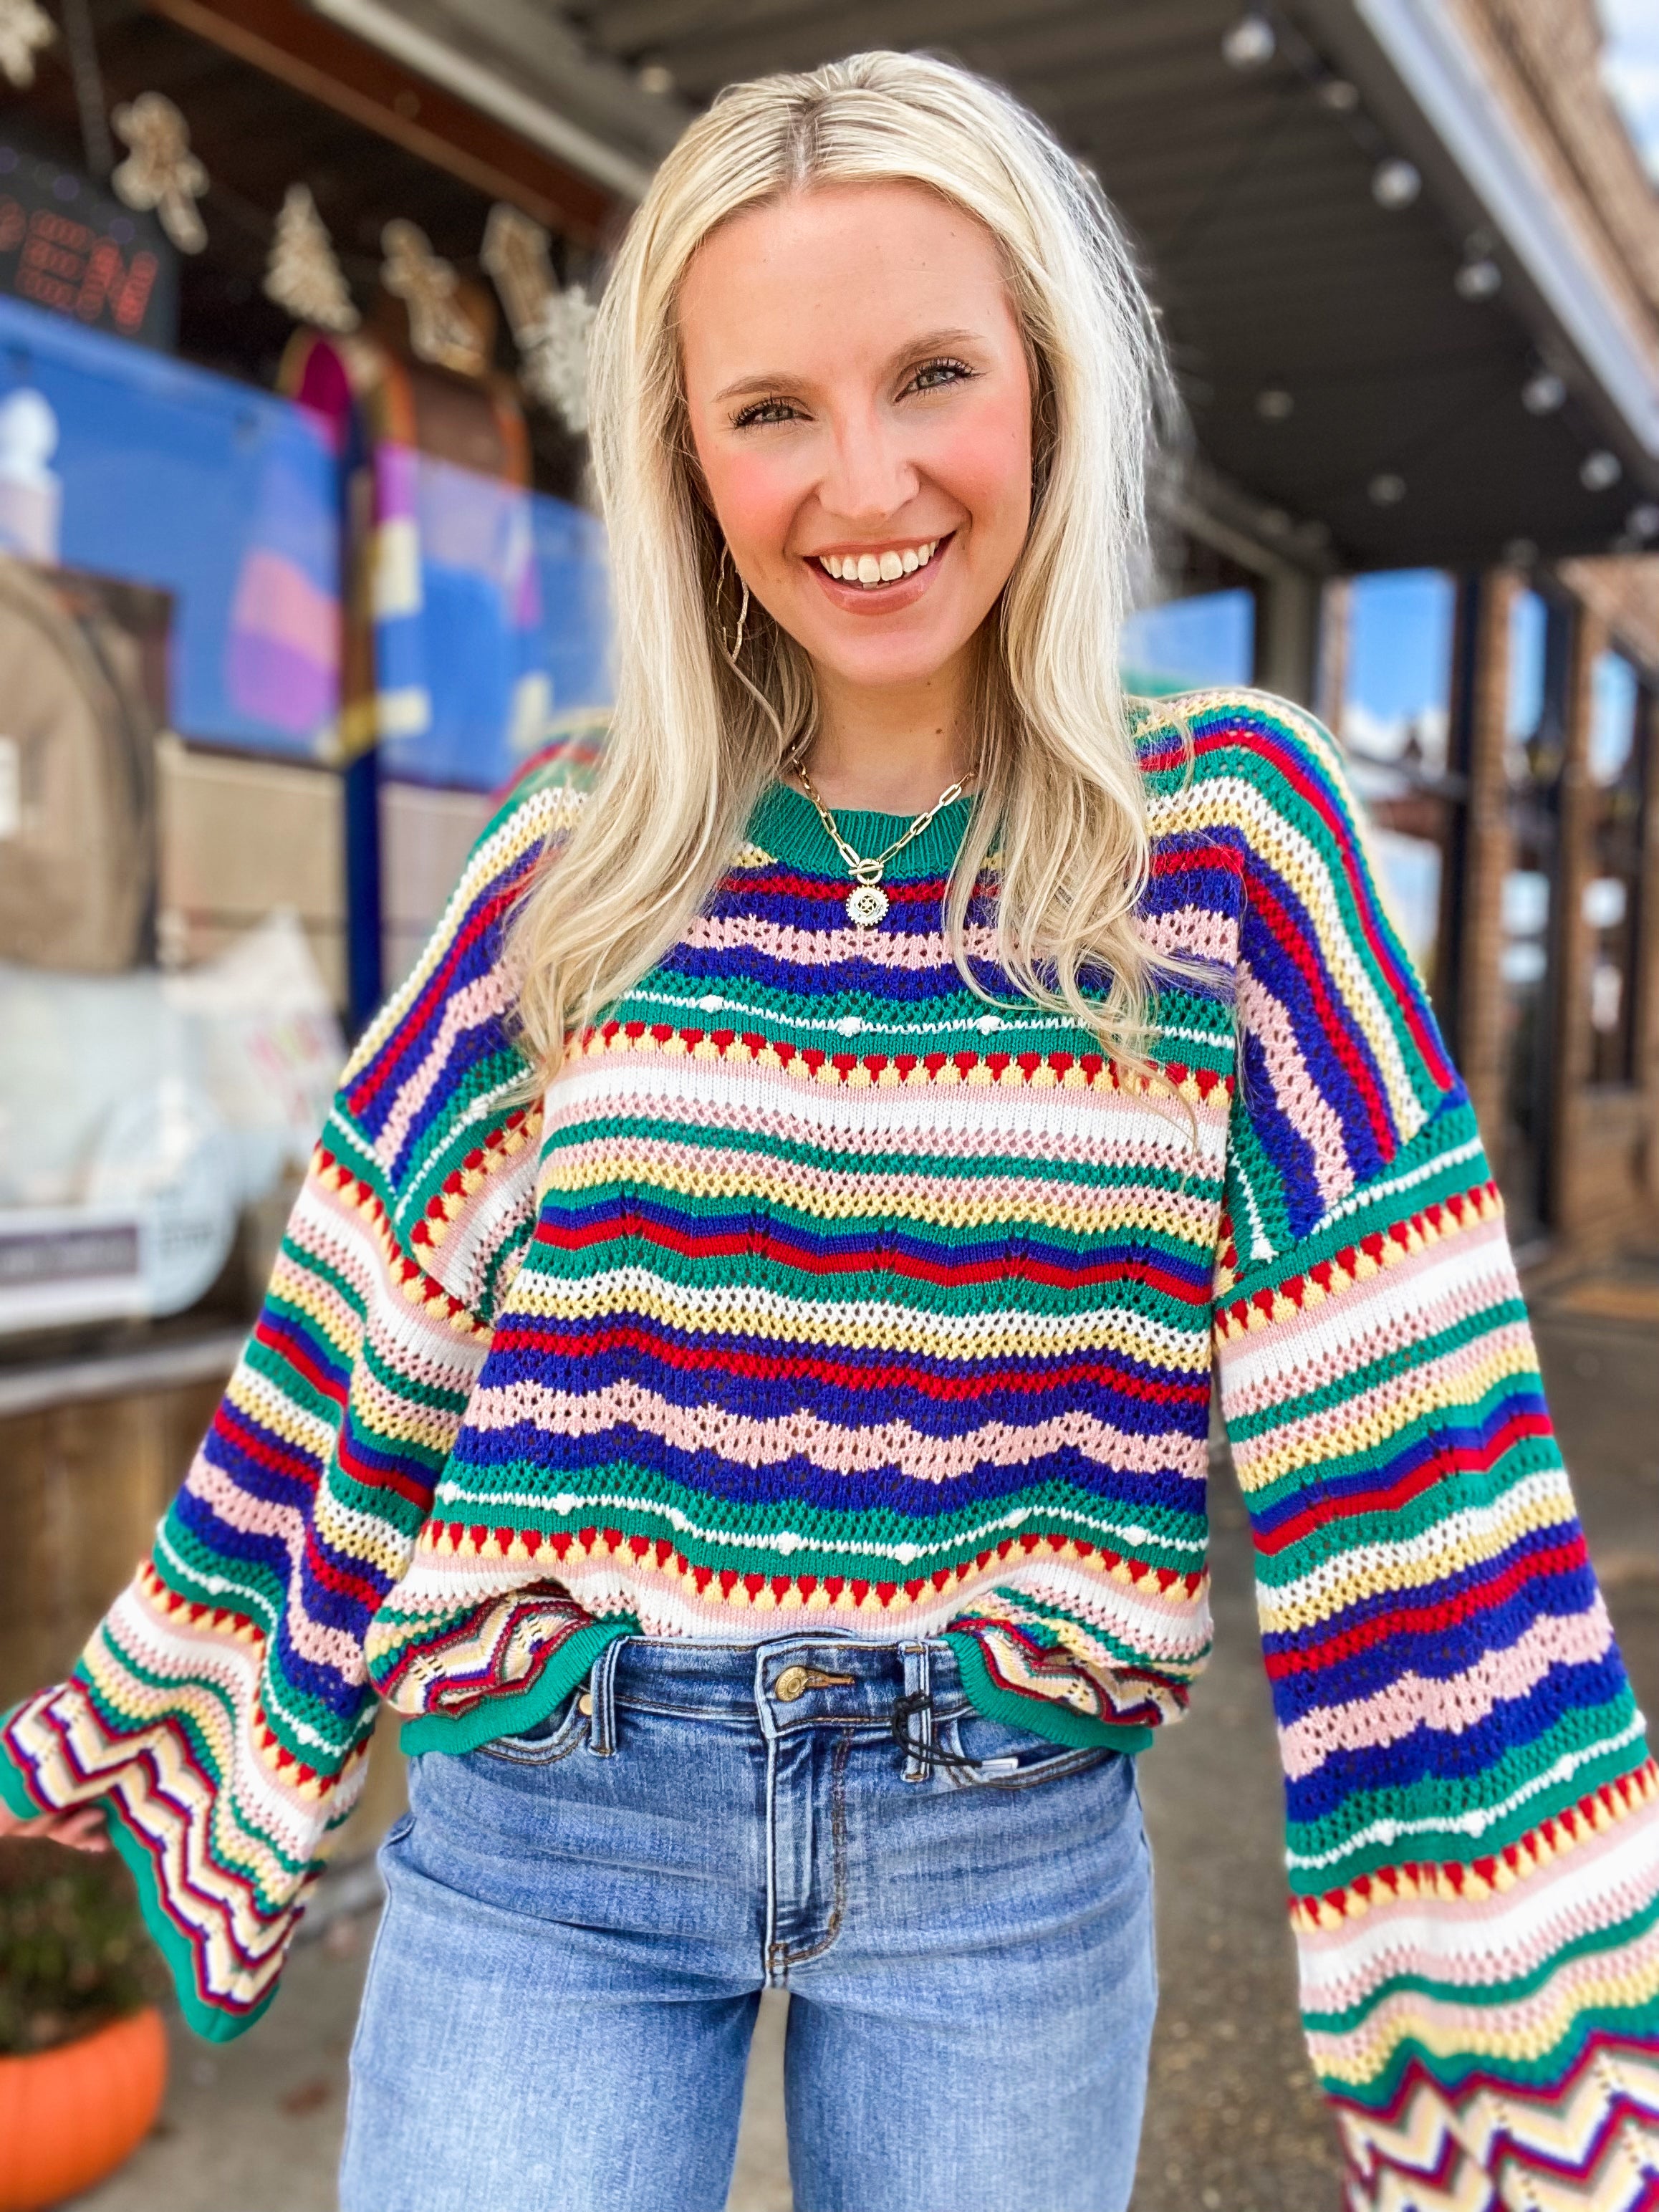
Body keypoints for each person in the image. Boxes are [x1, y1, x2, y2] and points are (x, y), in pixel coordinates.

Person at [4, 50, 1656, 2212]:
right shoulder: (573, 856)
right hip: (554, 1828)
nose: (856, 478)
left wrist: (1510, 2000)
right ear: (684, 456)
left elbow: (1411, 1432)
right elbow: (346, 1338)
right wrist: (212, 1681)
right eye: (766, 406)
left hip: (1000, 1849)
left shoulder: (1230, 845)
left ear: (1049, 389)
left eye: (931, 375)